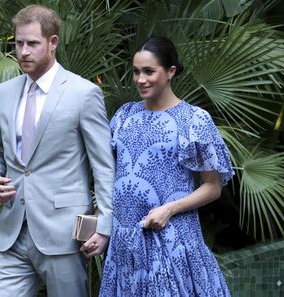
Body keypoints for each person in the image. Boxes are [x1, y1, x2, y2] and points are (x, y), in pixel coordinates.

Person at [0, 4, 115, 297]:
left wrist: (104, 226)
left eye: (32, 43)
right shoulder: (3, 94)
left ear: (53, 43)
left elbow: (103, 166)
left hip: (64, 233)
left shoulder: (83, 93)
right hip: (12, 232)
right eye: (18, 43)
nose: (23, 51)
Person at [99, 36, 235, 296]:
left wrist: (169, 209)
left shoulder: (194, 119)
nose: (141, 79)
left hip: (171, 240)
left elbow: (212, 187)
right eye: (136, 72)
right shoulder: (123, 116)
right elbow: (111, 178)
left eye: (149, 71)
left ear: (171, 71)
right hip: (125, 246)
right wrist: (100, 222)